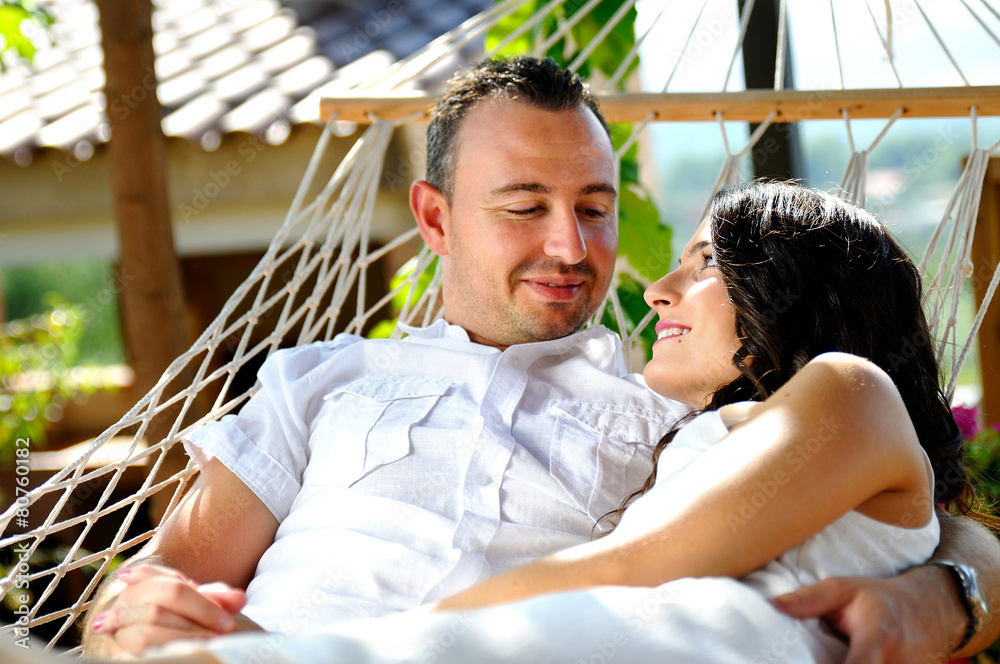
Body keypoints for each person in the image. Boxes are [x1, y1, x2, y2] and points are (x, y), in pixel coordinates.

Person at [81, 57, 1000, 662]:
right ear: (435, 218)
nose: (573, 248)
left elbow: (913, 504)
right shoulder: (322, 379)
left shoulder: (680, 402)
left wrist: (945, 593)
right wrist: (135, 622)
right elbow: (158, 581)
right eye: (525, 206)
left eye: (595, 208)